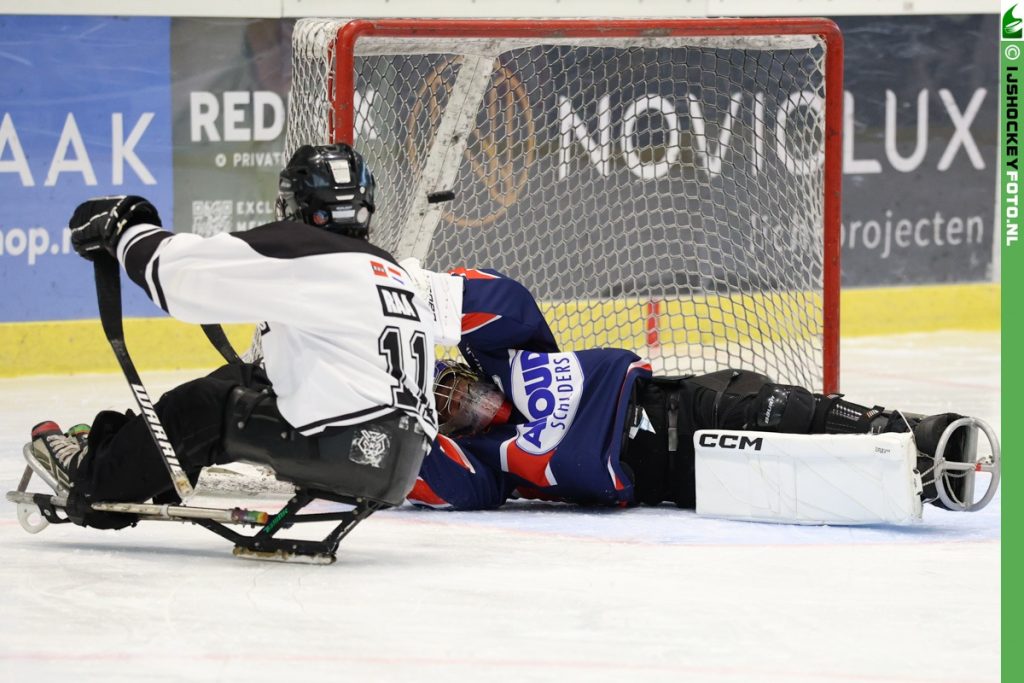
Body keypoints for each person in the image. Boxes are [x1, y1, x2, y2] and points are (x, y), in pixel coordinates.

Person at [24, 144, 439, 530]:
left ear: (298, 203)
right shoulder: (394, 271)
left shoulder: (303, 247)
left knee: (199, 407)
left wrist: (125, 228)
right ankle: (146, 463)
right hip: (400, 464)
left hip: (338, 450)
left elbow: (177, 276)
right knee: (244, 378)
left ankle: (93, 480)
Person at [399, 263, 994, 515]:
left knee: (781, 412)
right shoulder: (489, 465)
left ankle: (910, 431)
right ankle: (909, 480)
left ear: (464, 368)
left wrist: (413, 301)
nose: (467, 403)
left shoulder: (510, 354)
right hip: (678, 480)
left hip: (679, 406)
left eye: (456, 387)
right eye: (454, 412)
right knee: (799, 483)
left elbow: (502, 299)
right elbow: (432, 479)